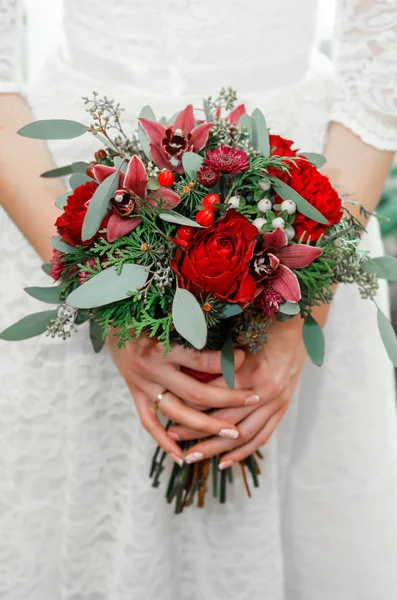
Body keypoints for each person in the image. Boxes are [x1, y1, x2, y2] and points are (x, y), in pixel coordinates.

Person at [1, 1, 397, 598]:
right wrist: (100, 294)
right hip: (66, 194)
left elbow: (383, 52)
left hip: (310, 190)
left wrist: (302, 309)